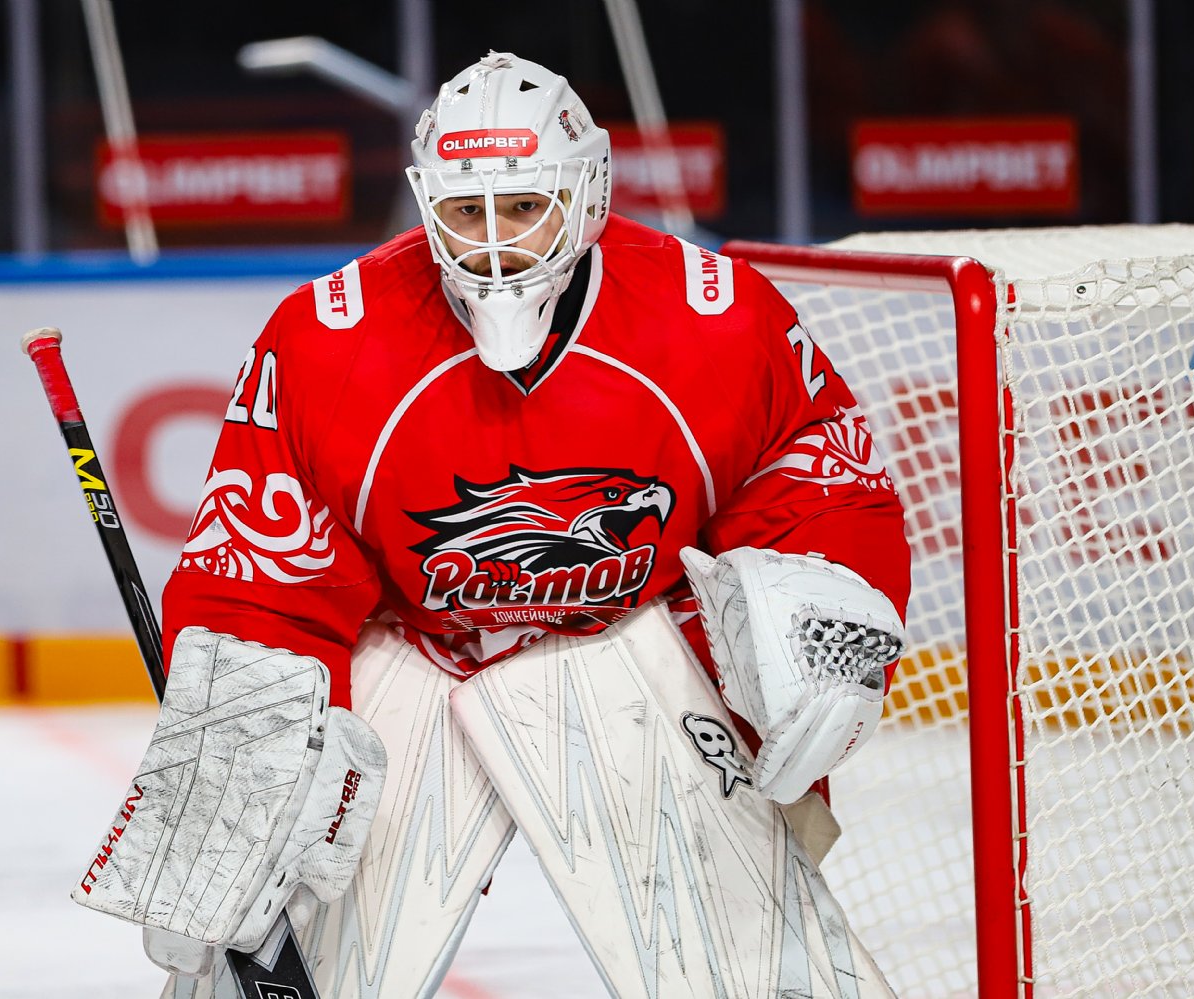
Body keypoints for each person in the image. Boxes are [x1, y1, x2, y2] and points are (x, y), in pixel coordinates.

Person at [81, 51, 911, 998]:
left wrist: (822, 614)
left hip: (630, 647)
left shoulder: (712, 315)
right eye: (466, 212)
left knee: (753, 969)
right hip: (414, 652)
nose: (494, 243)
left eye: (522, 206)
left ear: (588, 197)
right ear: (426, 205)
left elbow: (814, 478)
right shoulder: (326, 338)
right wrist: (239, 763)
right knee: (274, 951)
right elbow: (264, 577)